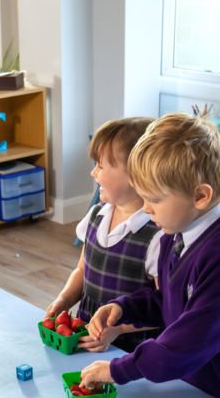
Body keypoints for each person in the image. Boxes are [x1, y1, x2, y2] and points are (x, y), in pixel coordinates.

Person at [81, 113, 220, 398]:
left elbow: (188, 341)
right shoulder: (176, 230)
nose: (146, 209)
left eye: (154, 199)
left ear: (200, 196)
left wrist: (117, 370)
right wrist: (124, 308)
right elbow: (171, 299)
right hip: (202, 387)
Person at [44, 117, 161, 353]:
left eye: (100, 165)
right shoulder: (96, 215)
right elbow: (82, 269)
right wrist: (64, 300)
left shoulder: (157, 236)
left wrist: (117, 330)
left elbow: (163, 307)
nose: (93, 173)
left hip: (132, 350)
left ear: (135, 174)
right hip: (88, 338)